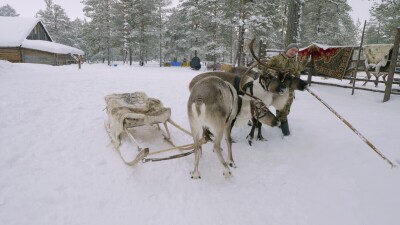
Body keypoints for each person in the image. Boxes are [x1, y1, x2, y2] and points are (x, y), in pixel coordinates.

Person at [265, 43, 303, 136]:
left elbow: (298, 74)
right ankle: (285, 132)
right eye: (292, 50)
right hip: (276, 88)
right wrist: (279, 73)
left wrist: (293, 77)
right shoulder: (276, 58)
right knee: (275, 107)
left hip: (289, 89)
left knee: (286, 109)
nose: (294, 52)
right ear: (287, 49)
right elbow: (266, 69)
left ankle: (279, 123)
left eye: (296, 51)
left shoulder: (296, 63)